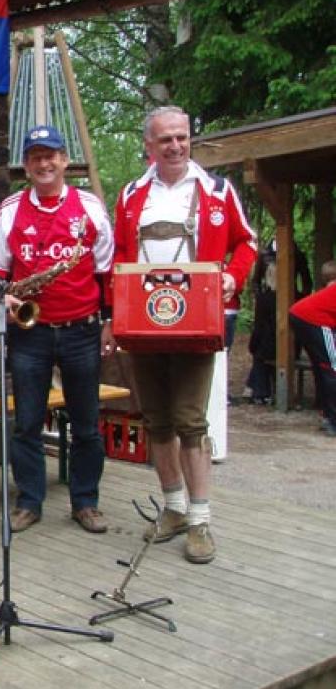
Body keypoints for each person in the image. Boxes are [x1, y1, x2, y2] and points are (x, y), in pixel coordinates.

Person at [108, 105, 256, 564]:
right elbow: (119, 259)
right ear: (149, 146)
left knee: (191, 421)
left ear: (190, 139)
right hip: (143, 326)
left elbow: (246, 242)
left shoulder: (217, 190)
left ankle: (200, 520)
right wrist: (115, 318)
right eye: (165, 139)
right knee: (155, 420)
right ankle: (172, 507)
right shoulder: (132, 195)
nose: (175, 146)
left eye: (182, 137)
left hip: (197, 324)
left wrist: (233, 276)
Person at [0, 125, 115, 534]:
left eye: (51, 155)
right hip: (31, 332)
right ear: (26, 165)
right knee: (26, 422)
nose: (44, 163)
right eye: (35, 157)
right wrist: (0, 299)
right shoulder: (10, 209)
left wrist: (110, 323)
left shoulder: (90, 207)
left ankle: (85, 501)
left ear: (64, 160)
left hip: (82, 329)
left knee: (86, 422)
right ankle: (29, 501)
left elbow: (107, 271)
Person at [244, 238, 311, 404]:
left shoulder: (298, 256)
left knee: (270, 348)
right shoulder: (264, 255)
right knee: (262, 346)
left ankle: (261, 391)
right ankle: (260, 391)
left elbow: (307, 282)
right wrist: (260, 294)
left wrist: (299, 298)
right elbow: (255, 280)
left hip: (288, 309)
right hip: (268, 312)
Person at [289, 259, 336, 437]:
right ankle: (332, 420)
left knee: (323, 367)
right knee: (332, 368)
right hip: (313, 319)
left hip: (302, 316)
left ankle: (326, 413)